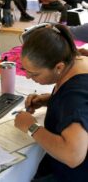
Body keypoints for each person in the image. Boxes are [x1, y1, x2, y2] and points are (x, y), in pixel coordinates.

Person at [15, 23, 88, 182]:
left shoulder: (74, 96)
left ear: (59, 67)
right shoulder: (78, 60)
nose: (27, 76)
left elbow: (73, 155)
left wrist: (31, 127)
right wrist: (50, 100)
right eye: (25, 69)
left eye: (34, 73)